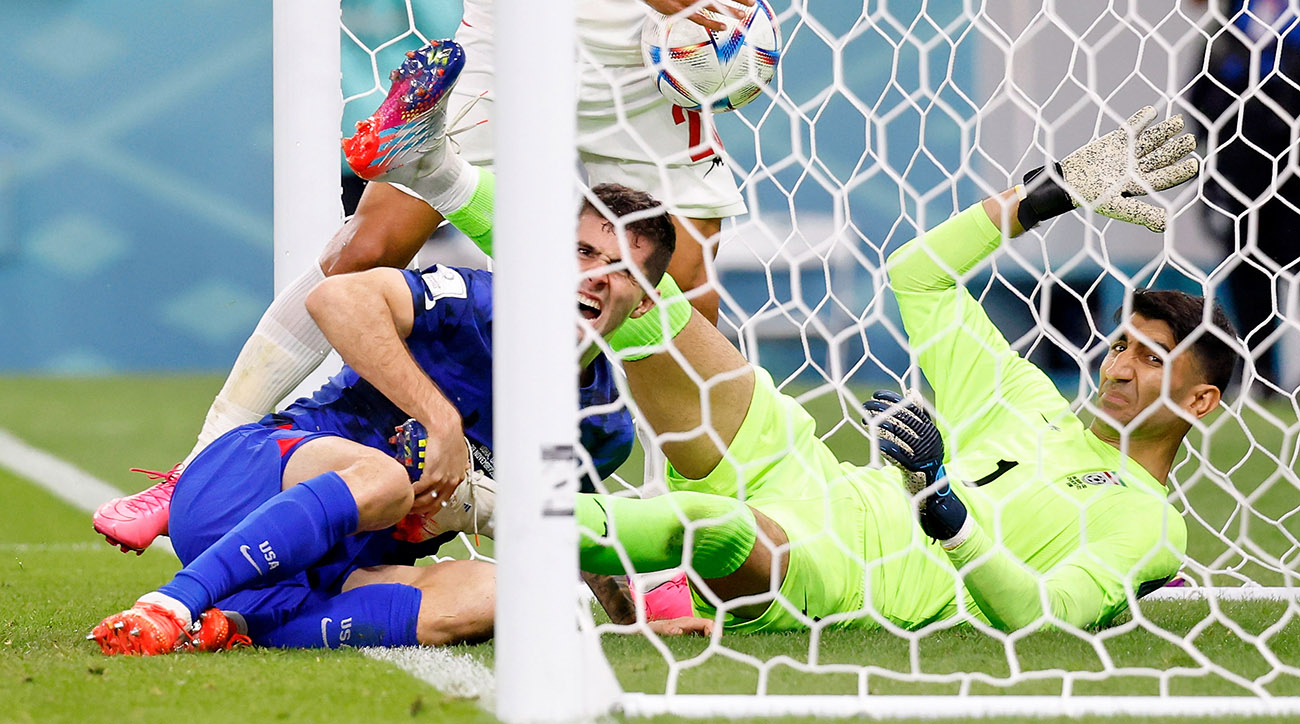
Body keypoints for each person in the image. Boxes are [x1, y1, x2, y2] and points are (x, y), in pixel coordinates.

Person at [89, 53, 703, 652]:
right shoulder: (479, 303)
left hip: (341, 565)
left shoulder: (603, 426)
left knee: (521, 595)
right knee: (383, 476)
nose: (594, 276)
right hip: (252, 487)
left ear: (646, 303)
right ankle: (171, 603)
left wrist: (633, 619)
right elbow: (336, 301)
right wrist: (441, 421)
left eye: (620, 270)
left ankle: (238, 623)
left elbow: (571, 533)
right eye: (584, 253)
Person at [571, 106, 1238, 632]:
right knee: (637, 293)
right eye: (1122, 346)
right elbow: (919, 277)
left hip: (846, 572)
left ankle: (524, 516)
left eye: (1154, 360)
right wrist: (1051, 192)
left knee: (716, 531)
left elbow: (1047, 614)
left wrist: (943, 507)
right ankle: (459, 176)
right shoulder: (1026, 398)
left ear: (1201, 401)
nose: (1121, 369)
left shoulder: (1149, 522)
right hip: (809, 473)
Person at [1184, 0, 1300, 394]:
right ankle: (1262, 379)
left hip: (1296, 177)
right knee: (1249, 279)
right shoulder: (1227, 26)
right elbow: (1197, 99)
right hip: (1242, 181)